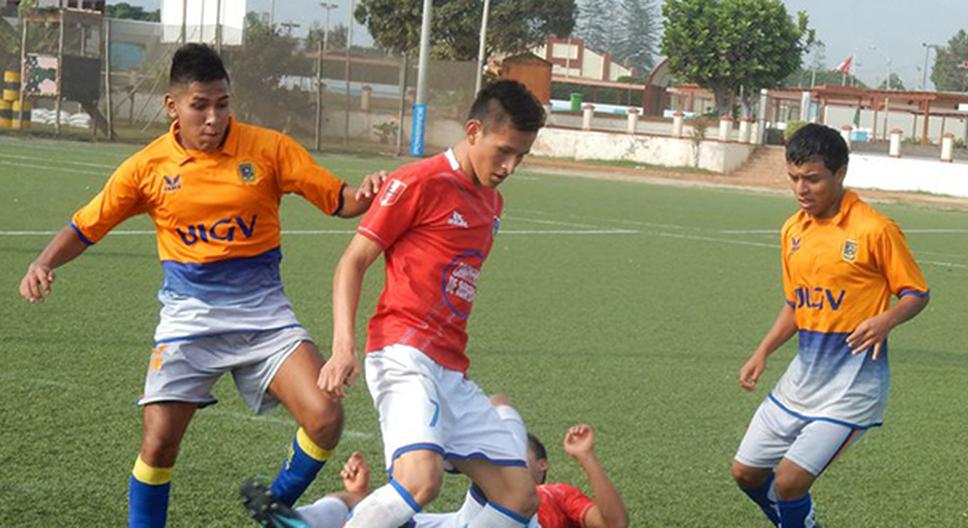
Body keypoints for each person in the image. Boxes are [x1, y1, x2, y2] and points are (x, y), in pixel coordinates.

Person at [17, 43, 386, 527]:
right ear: (173, 106)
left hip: (264, 316)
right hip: (188, 319)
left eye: (222, 103)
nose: (213, 118)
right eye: (200, 106)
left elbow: (339, 199)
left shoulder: (269, 149)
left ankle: (273, 506)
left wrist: (371, 192)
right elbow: (87, 225)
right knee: (158, 442)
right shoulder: (148, 168)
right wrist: (44, 262)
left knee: (325, 416)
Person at [318, 80, 547, 528]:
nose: (510, 166)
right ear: (474, 130)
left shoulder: (493, 205)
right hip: (402, 352)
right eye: (503, 151)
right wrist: (342, 346)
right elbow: (353, 262)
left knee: (520, 498)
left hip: (451, 369)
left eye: (521, 156)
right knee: (421, 480)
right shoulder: (416, 182)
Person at [730, 123, 930, 527]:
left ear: (840, 173)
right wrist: (763, 351)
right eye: (794, 179)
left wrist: (887, 319)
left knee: (789, 482)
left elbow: (916, 293)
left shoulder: (875, 229)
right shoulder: (792, 230)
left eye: (813, 179)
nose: (801, 189)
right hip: (803, 377)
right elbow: (796, 304)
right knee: (746, 473)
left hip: (853, 385)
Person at [241, 395, 629, 528]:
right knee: (357, 501)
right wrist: (356, 494)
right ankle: (303, 520)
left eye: (521, 457)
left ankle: (449, 448)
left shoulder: (554, 495)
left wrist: (587, 458)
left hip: (510, 518)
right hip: (465, 521)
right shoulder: (482, 500)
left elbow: (614, 524)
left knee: (503, 428)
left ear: (542, 466)